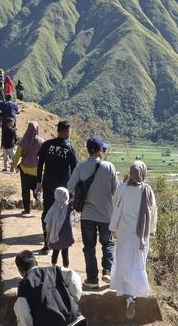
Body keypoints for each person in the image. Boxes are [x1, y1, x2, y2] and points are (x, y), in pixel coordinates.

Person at [67, 137, 119, 289]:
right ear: (99, 150)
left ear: (88, 150)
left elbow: (69, 187)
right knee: (108, 243)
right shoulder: (109, 167)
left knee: (89, 247)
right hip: (106, 215)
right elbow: (116, 191)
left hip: (87, 215)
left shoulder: (80, 167)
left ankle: (92, 279)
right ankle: (108, 272)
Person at [109, 161, 157, 320]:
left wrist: (123, 183)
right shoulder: (147, 190)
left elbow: (115, 202)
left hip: (124, 233)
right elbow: (153, 212)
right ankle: (133, 297)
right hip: (140, 235)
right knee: (137, 263)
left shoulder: (123, 188)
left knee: (123, 262)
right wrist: (151, 232)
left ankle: (128, 297)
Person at [36, 121, 78, 255]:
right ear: (66, 131)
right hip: (64, 189)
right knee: (64, 215)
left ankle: (46, 244)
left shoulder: (47, 144)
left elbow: (40, 164)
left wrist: (39, 181)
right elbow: (75, 170)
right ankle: (61, 242)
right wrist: (73, 189)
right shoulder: (70, 148)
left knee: (47, 214)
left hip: (48, 185)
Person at [11, 121, 44, 215]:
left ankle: (27, 210)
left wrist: (13, 165)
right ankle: (38, 198)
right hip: (37, 170)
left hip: (25, 170)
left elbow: (17, 155)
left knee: (25, 190)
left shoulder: (23, 141)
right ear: (37, 129)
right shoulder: (41, 141)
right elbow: (44, 156)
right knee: (36, 188)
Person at [45, 187, 75, 268]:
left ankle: (53, 266)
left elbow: (48, 222)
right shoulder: (68, 207)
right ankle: (66, 268)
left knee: (55, 252)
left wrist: (47, 235)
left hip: (55, 236)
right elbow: (74, 201)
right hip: (65, 236)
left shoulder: (53, 208)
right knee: (65, 253)